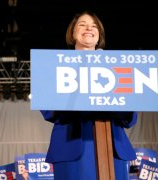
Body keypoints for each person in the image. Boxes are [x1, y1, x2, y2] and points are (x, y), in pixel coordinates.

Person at [41, 11, 137, 180]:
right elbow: (48, 110)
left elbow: (130, 117)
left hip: (114, 146)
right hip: (72, 146)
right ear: (72, 33)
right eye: (82, 24)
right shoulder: (56, 65)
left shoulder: (117, 66)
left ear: (99, 36)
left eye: (94, 26)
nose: (89, 28)